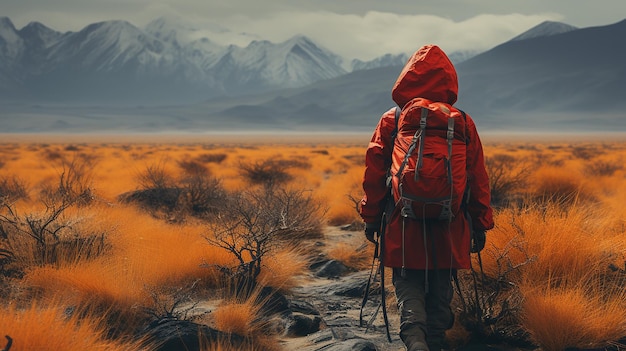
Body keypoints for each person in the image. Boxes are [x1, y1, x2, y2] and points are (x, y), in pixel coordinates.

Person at [359, 44, 494, 351]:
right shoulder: (461, 121)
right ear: (450, 80)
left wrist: (370, 218)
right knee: (440, 284)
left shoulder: (393, 119)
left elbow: (374, 172)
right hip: (451, 220)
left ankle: (415, 339)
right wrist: (481, 223)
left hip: (402, 219)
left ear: (406, 78)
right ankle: (434, 338)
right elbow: (477, 177)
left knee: (408, 283)